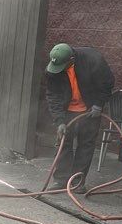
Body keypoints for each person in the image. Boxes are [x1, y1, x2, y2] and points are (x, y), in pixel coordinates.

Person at [45, 42, 114, 191]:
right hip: (67, 110)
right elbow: (53, 95)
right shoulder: (54, 69)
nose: (58, 69)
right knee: (63, 143)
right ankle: (61, 180)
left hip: (90, 109)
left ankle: (77, 181)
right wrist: (59, 121)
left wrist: (98, 104)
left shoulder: (93, 59)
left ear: (71, 59)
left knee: (86, 144)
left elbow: (107, 83)